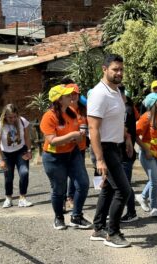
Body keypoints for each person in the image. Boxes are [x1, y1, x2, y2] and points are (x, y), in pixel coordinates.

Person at [87, 54, 133, 248]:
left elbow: (114, 120)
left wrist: (127, 138)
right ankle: (112, 233)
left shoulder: (115, 92)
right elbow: (93, 129)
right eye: (115, 69)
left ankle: (98, 228)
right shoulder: (99, 93)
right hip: (104, 148)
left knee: (108, 189)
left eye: (121, 69)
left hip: (115, 146)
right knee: (124, 190)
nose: (119, 73)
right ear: (104, 69)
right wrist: (99, 159)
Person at [40, 85, 91, 230]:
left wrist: (78, 138)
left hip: (72, 153)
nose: (72, 97)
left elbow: (75, 134)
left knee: (83, 184)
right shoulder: (48, 117)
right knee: (59, 190)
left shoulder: (72, 113)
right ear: (59, 100)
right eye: (68, 95)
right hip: (54, 158)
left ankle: (76, 216)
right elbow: (52, 140)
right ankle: (59, 217)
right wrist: (72, 136)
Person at [0, 104, 33, 208]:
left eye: (14, 116)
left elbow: (27, 137)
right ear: (5, 116)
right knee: (9, 177)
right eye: (10, 117)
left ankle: (22, 198)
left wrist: (29, 150)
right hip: (6, 154)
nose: (13, 119)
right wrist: (1, 160)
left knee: (24, 172)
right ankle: (8, 198)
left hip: (20, 151)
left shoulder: (22, 121)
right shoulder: (0, 125)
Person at [65, 82, 88, 211]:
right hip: (67, 148)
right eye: (70, 94)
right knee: (65, 174)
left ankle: (71, 197)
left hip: (81, 147)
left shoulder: (84, 109)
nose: (73, 97)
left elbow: (91, 125)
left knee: (76, 174)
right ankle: (65, 198)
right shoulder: (64, 111)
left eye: (75, 94)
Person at [118, 85, 139, 223]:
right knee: (121, 184)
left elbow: (124, 130)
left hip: (125, 153)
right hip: (123, 152)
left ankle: (131, 212)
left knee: (124, 185)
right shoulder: (127, 108)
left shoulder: (126, 110)